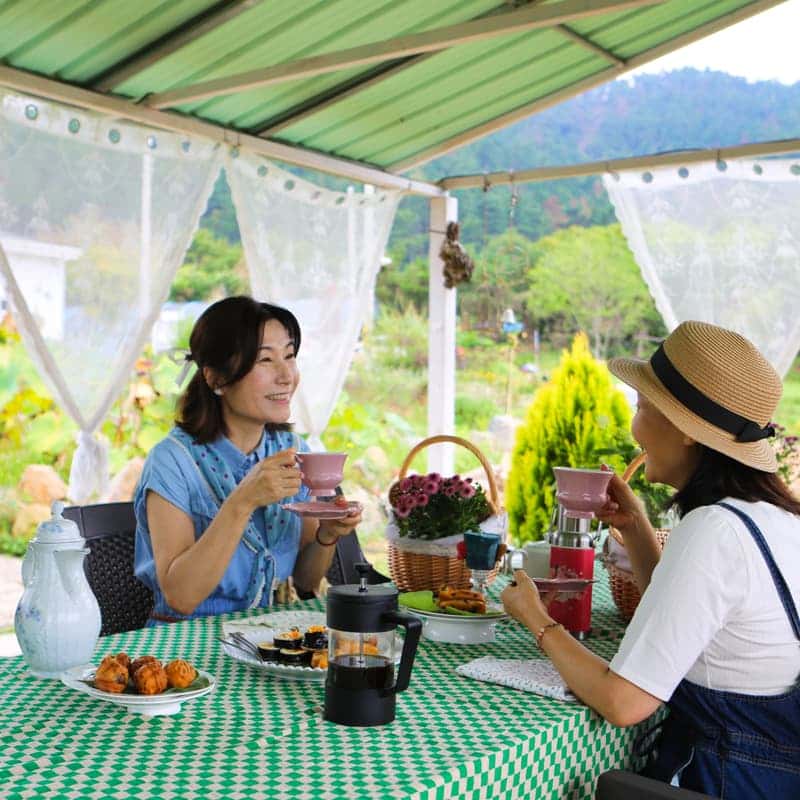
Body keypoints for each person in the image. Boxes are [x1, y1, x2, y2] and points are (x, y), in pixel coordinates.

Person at [501, 321, 800, 798]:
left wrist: (535, 617)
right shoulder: (774, 519)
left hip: (721, 781)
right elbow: (692, 627)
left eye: (642, 407)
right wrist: (636, 527)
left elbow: (623, 702)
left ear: (685, 430)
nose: (634, 426)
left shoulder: (714, 531)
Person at [133, 296, 362, 622]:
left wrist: (328, 534)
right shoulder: (172, 462)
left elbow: (306, 582)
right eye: (265, 360)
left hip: (273, 637)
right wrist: (243, 501)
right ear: (216, 379)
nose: (286, 376)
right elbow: (181, 597)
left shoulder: (293, 452)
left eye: (289, 355)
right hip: (189, 645)